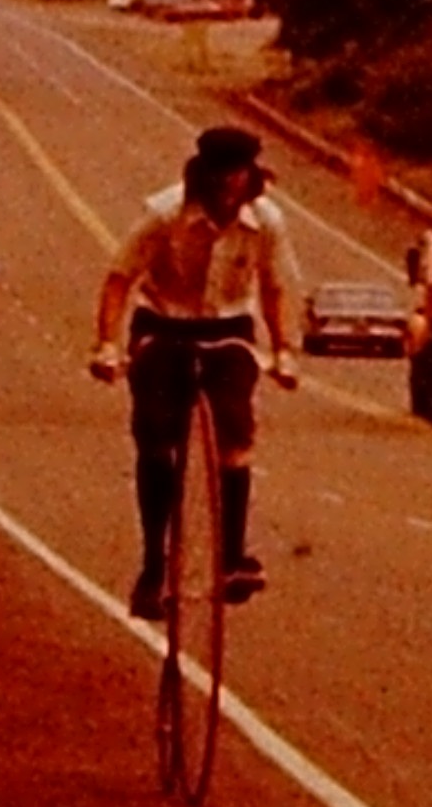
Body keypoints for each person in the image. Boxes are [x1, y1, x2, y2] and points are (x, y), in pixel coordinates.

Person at [89, 126, 295, 617]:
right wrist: (106, 344)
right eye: (219, 174)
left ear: (250, 176)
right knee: (158, 440)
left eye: (238, 174)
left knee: (235, 435)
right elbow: (120, 279)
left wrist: (284, 350)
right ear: (203, 173)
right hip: (165, 325)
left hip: (228, 330)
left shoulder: (265, 222)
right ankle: (153, 567)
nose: (228, 185)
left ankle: (232, 557)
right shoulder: (164, 215)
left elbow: (274, 288)